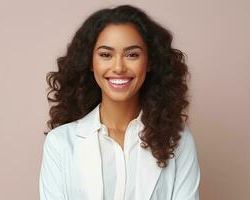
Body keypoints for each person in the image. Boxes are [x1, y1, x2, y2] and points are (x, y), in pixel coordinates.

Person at [39, 4, 200, 200]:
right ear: (90, 62)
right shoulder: (60, 143)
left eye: (132, 55)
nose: (118, 67)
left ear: (149, 62)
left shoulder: (179, 140)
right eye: (106, 55)